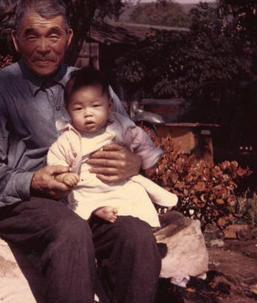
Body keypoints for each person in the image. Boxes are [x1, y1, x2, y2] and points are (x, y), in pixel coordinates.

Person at [0, 0, 161, 303]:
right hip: (27, 202)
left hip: (96, 198)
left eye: (53, 35)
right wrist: (32, 181)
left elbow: (132, 137)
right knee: (69, 231)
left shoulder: (90, 82)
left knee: (136, 237)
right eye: (32, 36)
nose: (43, 47)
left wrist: (135, 163)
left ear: (68, 38)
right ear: (16, 40)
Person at [48, 66, 178, 227]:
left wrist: (148, 162)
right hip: (86, 187)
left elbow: (141, 141)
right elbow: (57, 159)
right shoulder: (69, 138)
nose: (88, 113)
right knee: (79, 199)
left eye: (95, 106)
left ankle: (147, 224)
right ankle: (98, 211)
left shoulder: (120, 126)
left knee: (136, 194)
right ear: (68, 111)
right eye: (79, 108)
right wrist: (64, 176)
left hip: (120, 184)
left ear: (109, 105)